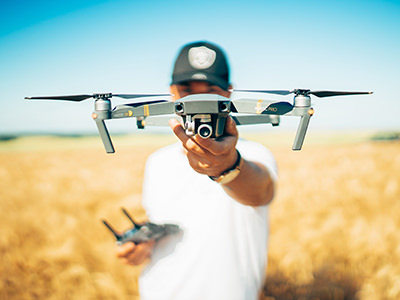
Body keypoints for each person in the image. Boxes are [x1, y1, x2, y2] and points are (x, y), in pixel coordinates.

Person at [116, 41, 278, 300]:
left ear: (228, 93)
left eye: (210, 91)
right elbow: (165, 219)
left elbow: (259, 192)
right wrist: (142, 245)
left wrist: (229, 165)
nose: (198, 101)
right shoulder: (156, 162)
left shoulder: (256, 155)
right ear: (172, 92)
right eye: (187, 90)